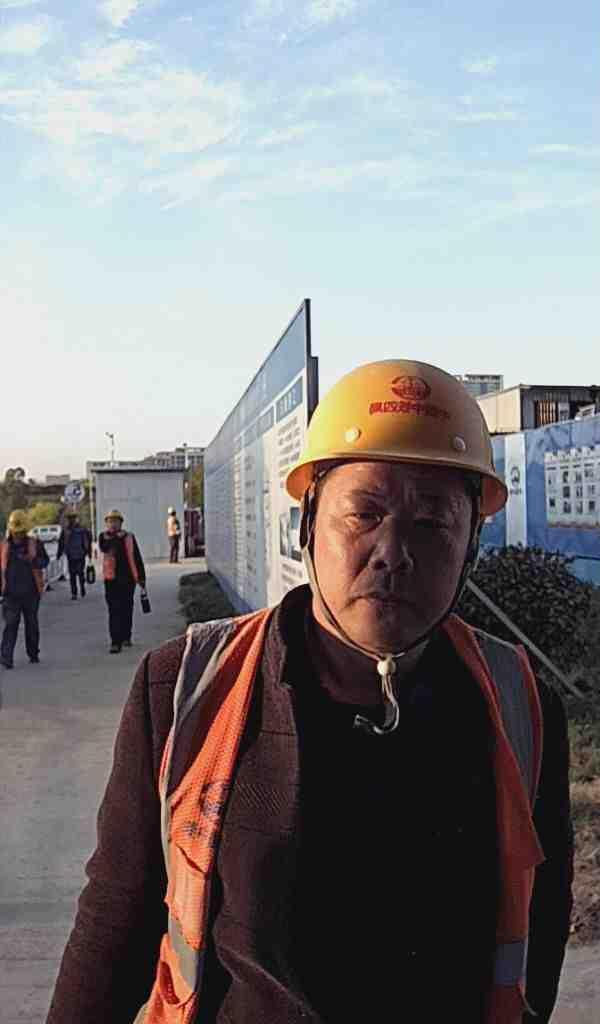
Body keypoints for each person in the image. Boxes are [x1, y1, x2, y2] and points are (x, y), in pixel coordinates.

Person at [47, 361, 573, 1024]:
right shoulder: (184, 689)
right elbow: (114, 922)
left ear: (470, 542)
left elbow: (538, 937)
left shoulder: (521, 708)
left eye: (432, 523)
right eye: (365, 513)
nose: (393, 552)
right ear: (308, 522)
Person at [0, 509, 49, 668]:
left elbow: (45, 561)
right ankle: (6, 657)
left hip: (31, 592)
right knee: (10, 625)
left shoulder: (35, 544)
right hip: (10, 594)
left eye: (21, 532)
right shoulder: (4, 546)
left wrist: (34, 560)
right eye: (16, 532)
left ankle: (33, 653)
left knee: (31, 624)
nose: (18, 535)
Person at [98, 510, 146, 654]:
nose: (113, 524)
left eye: (116, 521)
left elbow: (136, 556)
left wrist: (142, 577)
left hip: (128, 579)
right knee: (114, 610)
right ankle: (115, 641)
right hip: (111, 579)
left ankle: (126, 636)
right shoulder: (104, 537)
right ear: (107, 523)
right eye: (110, 521)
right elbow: (105, 547)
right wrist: (116, 536)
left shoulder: (129, 537)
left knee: (127, 608)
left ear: (121, 523)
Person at [57, 510, 92, 600]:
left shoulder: (82, 529)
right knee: (72, 575)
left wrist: (89, 553)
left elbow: (88, 541)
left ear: (75, 519)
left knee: (80, 573)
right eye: (69, 518)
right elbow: (61, 542)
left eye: (72, 518)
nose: (71, 520)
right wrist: (59, 554)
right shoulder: (66, 530)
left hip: (80, 554)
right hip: (71, 555)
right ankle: (74, 593)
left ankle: (82, 587)